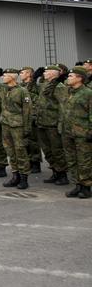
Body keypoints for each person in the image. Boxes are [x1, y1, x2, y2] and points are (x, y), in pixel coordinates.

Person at [0, 68, 32, 189]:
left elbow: (27, 112)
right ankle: (15, 176)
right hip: (5, 124)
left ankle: (24, 178)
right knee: (10, 152)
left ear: (12, 77)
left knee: (20, 152)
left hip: (18, 126)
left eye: (5, 75)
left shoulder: (22, 91)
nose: (3, 77)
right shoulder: (3, 89)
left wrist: (27, 129)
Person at [35, 65, 69, 185]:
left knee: (57, 151)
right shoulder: (45, 85)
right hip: (42, 123)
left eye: (47, 71)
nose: (44, 73)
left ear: (54, 73)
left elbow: (63, 106)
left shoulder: (59, 87)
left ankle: (62, 175)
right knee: (47, 151)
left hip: (53, 124)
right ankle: (55, 172)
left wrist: (61, 124)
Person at [61, 66, 91, 198]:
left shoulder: (88, 93)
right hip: (68, 132)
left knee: (84, 161)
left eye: (71, 76)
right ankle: (77, 185)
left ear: (80, 78)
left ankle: (86, 187)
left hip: (82, 133)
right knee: (71, 160)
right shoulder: (69, 92)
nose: (68, 78)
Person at [20, 66, 43, 173]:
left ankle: (36, 163)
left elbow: (34, 98)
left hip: (33, 117)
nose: (20, 74)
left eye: (23, 72)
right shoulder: (20, 86)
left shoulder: (35, 87)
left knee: (33, 142)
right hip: (23, 117)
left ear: (29, 74)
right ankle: (28, 161)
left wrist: (34, 79)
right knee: (25, 142)